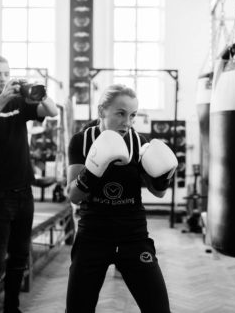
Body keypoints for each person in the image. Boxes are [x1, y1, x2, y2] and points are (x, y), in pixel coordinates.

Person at [66, 84, 177, 313]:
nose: (127, 122)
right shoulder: (82, 141)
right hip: (93, 235)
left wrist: (164, 177)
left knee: (159, 309)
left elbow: (159, 193)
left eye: (133, 115)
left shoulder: (140, 142)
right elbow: (74, 195)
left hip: (133, 235)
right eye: (120, 113)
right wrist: (94, 167)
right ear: (101, 111)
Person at [0, 54, 58, 313]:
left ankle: (11, 308)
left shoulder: (20, 103)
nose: (3, 78)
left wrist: (40, 94)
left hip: (24, 190)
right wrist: (1, 99)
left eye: (6, 73)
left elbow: (52, 111)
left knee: (18, 258)